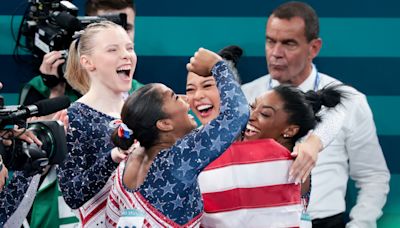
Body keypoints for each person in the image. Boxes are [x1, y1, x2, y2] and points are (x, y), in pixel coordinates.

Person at [241, 2, 390, 227]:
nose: (275, 53)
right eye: (271, 41)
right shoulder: (245, 96)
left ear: (314, 48)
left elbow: (373, 176)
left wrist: (360, 224)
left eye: (288, 43)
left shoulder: (349, 101)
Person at [104, 48, 249, 227]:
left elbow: (110, 221)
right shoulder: (179, 157)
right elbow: (236, 114)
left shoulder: (126, 164)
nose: (186, 100)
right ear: (164, 124)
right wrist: (217, 65)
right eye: (175, 97)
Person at [57, 21, 136, 227]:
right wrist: (112, 158)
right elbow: (72, 194)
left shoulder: (140, 108)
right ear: (87, 62)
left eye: (130, 48)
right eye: (112, 49)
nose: (126, 55)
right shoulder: (75, 118)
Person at [19, 0, 141, 106]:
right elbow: (26, 132)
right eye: (106, 27)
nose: (119, 34)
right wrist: (56, 92)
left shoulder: (141, 93)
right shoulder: (39, 87)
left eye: (127, 27)